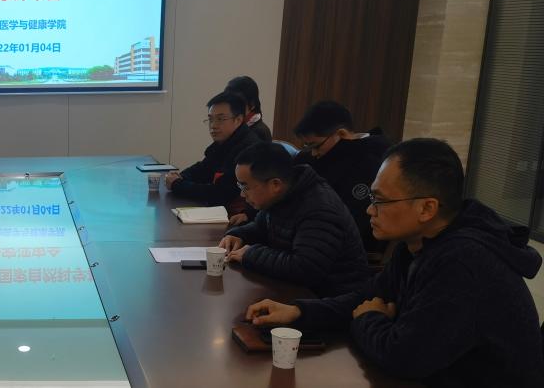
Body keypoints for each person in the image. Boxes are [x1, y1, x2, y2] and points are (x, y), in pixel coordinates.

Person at [245, 139, 544, 387]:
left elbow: (404, 358)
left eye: (380, 201)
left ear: (427, 208)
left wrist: (368, 319)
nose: (369, 210)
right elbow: (367, 296)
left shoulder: (463, 262)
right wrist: (299, 311)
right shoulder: (418, 242)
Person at [219, 142, 368, 297]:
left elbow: (305, 269)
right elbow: (260, 227)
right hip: (295, 290)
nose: (242, 195)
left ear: (275, 184)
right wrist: (238, 235)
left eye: (246, 187)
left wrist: (251, 255)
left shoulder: (319, 208)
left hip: (331, 298)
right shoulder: (281, 195)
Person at [293, 101, 391, 253]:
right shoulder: (312, 158)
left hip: (342, 248)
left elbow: (357, 223)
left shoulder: (373, 161)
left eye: (316, 146)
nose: (314, 153)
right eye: (307, 146)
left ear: (341, 134)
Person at [166, 91, 261, 215]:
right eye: (211, 119)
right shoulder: (225, 142)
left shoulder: (247, 149)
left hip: (237, 216)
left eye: (221, 119)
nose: (213, 125)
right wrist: (180, 177)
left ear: (238, 120)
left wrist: (177, 185)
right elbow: (203, 169)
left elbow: (220, 193)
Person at [225, 75, 272, 142]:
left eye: (237, 103)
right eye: (229, 102)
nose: (232, 108)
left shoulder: (259, 132)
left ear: (252, 104)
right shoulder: (234, 126)